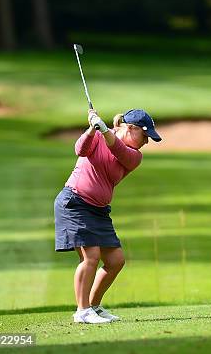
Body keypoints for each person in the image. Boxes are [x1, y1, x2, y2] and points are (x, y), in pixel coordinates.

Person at [54, 109, 161, 323]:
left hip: (99, 210)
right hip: (75, 203)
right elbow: (80, 149)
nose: (147, 142)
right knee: (90, 257)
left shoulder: (134, 156)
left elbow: (119, 150)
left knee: (115, 261)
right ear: (130, 129)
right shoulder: (99, 137)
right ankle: (82, 311)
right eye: (145, 136)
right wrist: (91, 129)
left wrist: (103, 130)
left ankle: (93, 306)